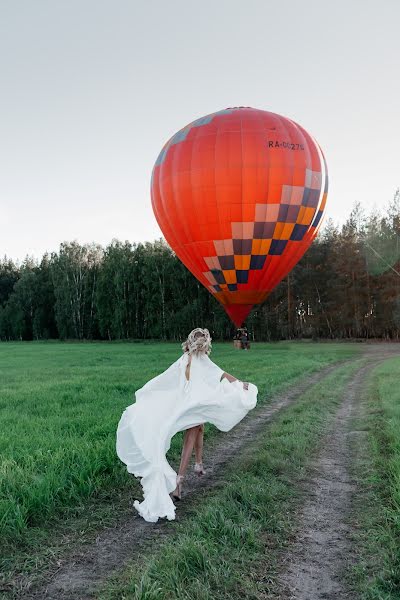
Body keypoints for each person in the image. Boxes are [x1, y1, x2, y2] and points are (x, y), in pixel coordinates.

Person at [116, 328, 258, 523]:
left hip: (187, 404)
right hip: (192, 404)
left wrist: (147, 392)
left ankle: (198, 465)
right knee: (193, 431)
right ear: (205, 345)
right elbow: (222, 375)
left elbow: (166, 378)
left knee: (198, 427)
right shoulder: (200, 359)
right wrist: (241, 383)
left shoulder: (185, 359)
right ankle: (179, 480)